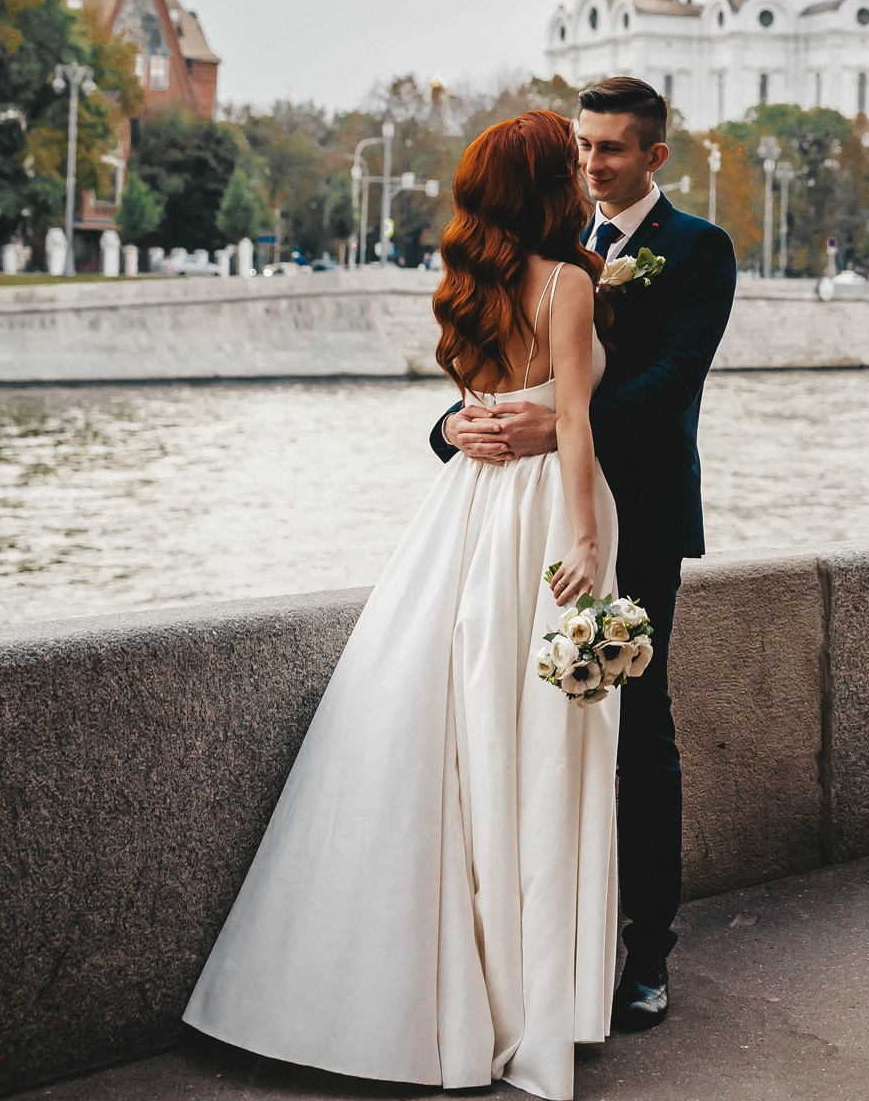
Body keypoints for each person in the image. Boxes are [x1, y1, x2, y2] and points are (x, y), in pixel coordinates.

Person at [185, 110, 620, 1101]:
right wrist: (589, 540)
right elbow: (578, 426)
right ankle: (531, 997)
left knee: (461, 721)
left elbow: (473, 412)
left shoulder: (471, 284)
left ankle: (401, 990)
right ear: (555, 182)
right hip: (541, 515)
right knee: (539, 744)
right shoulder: (569, 282)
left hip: (461, 511)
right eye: (573, 161)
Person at [433, 75, 737, 1032]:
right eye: (583, 144)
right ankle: (538, 945)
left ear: (655, 155)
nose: (592, 162)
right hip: (515, 522)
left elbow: (667, 384)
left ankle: (645, 952)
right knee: (507, 730)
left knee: (635, 731)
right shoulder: (544, 250)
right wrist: (457, 424)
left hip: (631, 525)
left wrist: (556, 428)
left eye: (611, 148)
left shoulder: (697, 251)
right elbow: (490, 365)